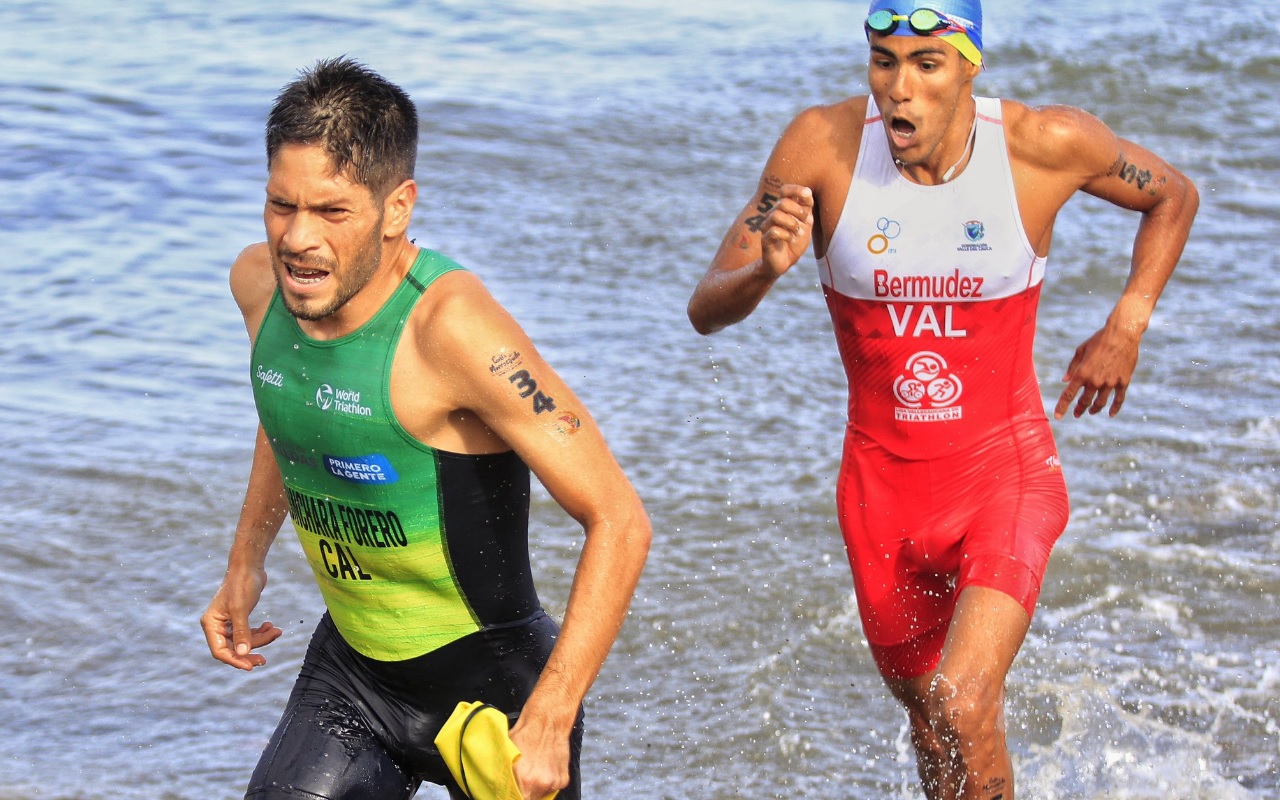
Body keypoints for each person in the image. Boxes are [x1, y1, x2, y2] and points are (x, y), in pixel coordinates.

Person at [686, 2, 1197, 798]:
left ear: (969, 66)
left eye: (926, 63)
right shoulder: (819, 146)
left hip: (1004, 472)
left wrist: (1126, 325)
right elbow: (706, 308)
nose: (901, 88)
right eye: (884, 61)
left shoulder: (1042, 145)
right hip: (880, 493)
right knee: (932, 721)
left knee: (963, 700)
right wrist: (764, 271)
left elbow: (1174, 196)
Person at [200, 57, 651, 800]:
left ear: (397, 208)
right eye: (281, 205)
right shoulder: (259, 287)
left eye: (332, 212)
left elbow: (620, 519)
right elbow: (289, 412)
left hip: (497, 697)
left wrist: (550, 716)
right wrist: (245, 562)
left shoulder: (452, 329)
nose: (297, 238)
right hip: (353, 677)